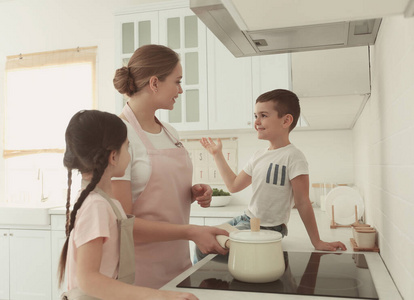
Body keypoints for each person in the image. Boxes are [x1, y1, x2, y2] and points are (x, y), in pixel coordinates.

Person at [112, 44, 228, 289]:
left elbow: (163, 191)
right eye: (177, 81)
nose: (181, 90)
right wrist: (191, 232)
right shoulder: (118, 135)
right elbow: (123, 224)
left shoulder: (170, 132)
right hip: (139, 271)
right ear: (154, 83)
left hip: (177, 263)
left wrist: (193, 192)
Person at [58, 110, 198, 300]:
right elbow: (88, 280)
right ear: (113, 157)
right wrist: (162, 297)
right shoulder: (96, 206)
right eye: (127, 147)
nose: (130, 154)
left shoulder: (104, 202)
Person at [195, 89, 346, 263]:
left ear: (286, 120)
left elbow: (303, 201)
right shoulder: (259, 155)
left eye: (263, 115)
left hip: (268, 228)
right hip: (246, 220)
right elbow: (234, 185)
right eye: (255, 116)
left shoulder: (293, 156)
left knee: (205, 249)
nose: (256, 122)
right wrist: (217, 155)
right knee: (202, 242)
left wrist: (317, 241)